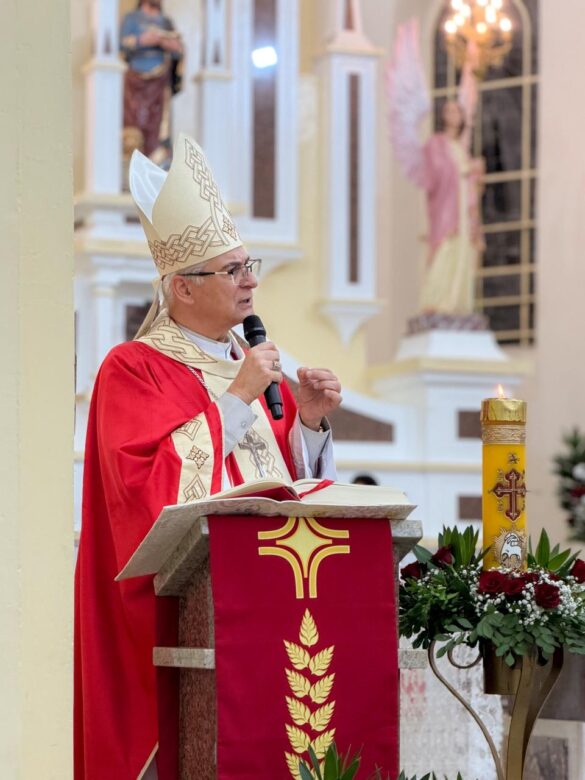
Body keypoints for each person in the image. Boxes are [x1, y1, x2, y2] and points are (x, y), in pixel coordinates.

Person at [74, 132, 342, 779]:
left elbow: (272, 487)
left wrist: (305, 423)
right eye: (233, 270)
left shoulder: (244, 368)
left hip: (261, 613)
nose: (251, 281)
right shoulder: (132, 369)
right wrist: (238, 397)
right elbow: (146, 495)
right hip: (168, 626)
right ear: (182, 288)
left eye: (249, 265)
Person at [417, 98, 485, 315]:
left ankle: (457, 305)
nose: (453, 115)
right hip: (446, 210)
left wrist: (476, 175)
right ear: (442, 116)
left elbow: (473, 189)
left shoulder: (461, 149)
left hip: (464, 212)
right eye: (448, 111)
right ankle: (437, 301)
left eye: (457, 111)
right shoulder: (436, 144)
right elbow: (435, 175)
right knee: (445, 251)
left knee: (462, 253)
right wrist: (465, 169)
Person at [120, 0, 184, 160]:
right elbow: (121, 43)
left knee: (158, 124)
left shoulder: (166, 21)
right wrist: (143, 40)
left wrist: (169, 44)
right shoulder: (132, 18)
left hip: (161, 79)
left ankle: (157, 159)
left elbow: (179, 50)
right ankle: (132, 160)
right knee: (134, 120)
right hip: (135, 78)